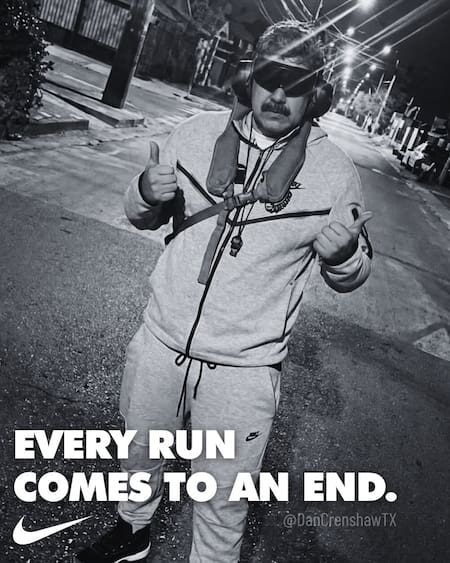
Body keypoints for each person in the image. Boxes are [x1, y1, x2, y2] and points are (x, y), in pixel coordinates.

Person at [78, 20, 372, 563]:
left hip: (244, 369)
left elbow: (354, 270)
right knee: (138, 455)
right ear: (249, 78)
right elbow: (142, 215)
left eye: (295, 83)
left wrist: (343, 256)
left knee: (223, 499)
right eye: (269, 77)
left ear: (317, 93)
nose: (278, 94)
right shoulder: (193, 133)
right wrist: (143, 192)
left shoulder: (335, 173)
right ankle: (132, 532)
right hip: (161, 342)